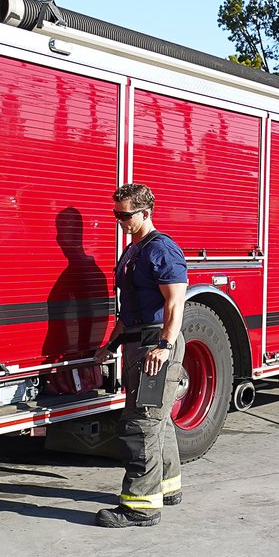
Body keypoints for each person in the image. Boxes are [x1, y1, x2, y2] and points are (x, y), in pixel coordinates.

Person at [98, 182, 189, 528]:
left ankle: (140, 506)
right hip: (138, 340)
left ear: (146, 213)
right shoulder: (132, 250)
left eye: (125, 215)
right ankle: (167, 487)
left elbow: (175, 302)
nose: (119, 220)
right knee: (158, 421)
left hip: (155, 345)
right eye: (115, 214)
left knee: (141, 424)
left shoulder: (161, 249)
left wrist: (164, 345)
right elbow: (129, 310)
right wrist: (111, 344)